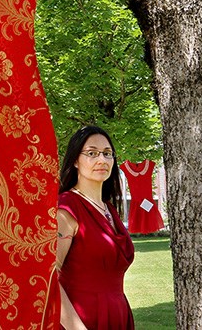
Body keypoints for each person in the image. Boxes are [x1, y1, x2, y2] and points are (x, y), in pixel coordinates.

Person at [57, 126, 135, 330]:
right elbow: (48, 278)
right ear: (75, 160)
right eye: (91, 153)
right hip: (81, 320)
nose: (102, 160)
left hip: (118, 315)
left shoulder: (109, 209)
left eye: (107, 154)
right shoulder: (66, 208)